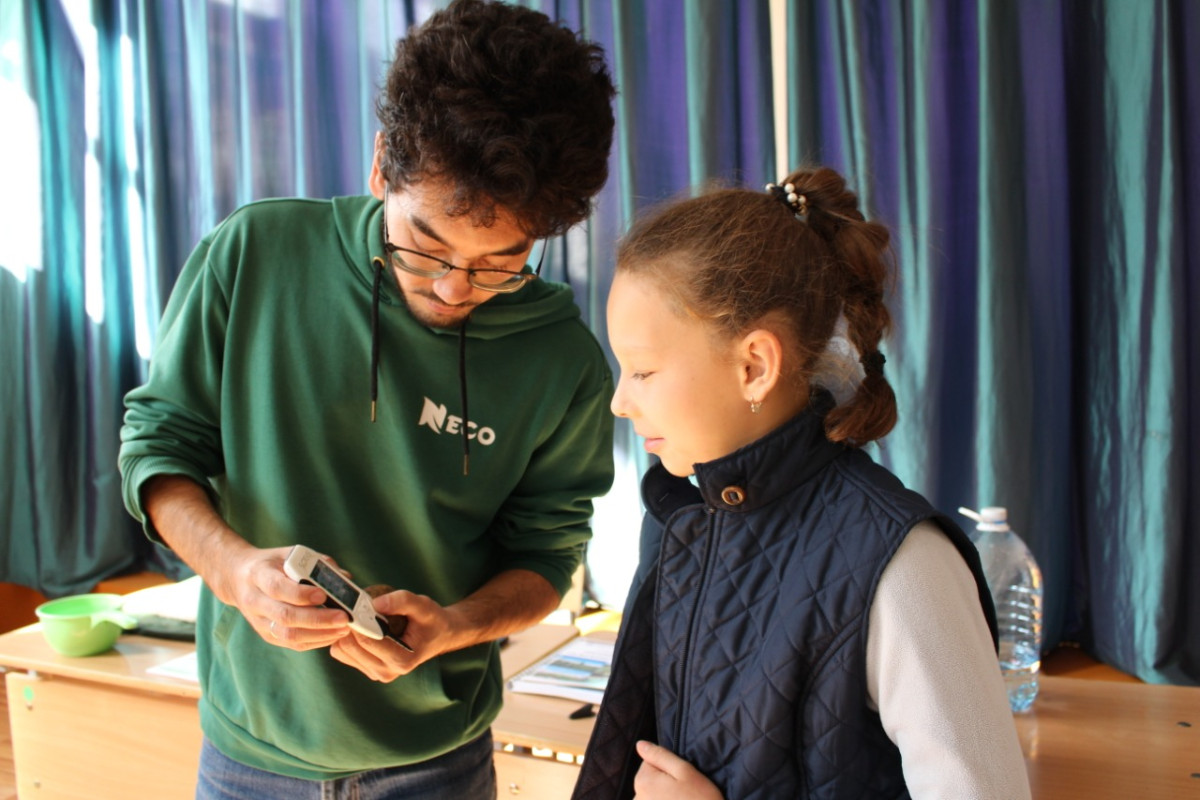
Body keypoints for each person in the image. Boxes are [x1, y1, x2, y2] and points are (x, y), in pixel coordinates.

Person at [118, 1, 617, 797]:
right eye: (426, 245)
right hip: (249, 757)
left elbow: (547, 557)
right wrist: (235, 571)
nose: (454, 290)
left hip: (441, 764)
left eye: (500, 263)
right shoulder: (255, 255)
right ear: (382, 164)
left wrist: (454, 626)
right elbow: (158, 447)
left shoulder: (563, 361)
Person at [573, 167, 1031, 799]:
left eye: (643, 372)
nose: (619, 402)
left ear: (755, 366)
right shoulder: (681, 517)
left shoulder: (904, 565)